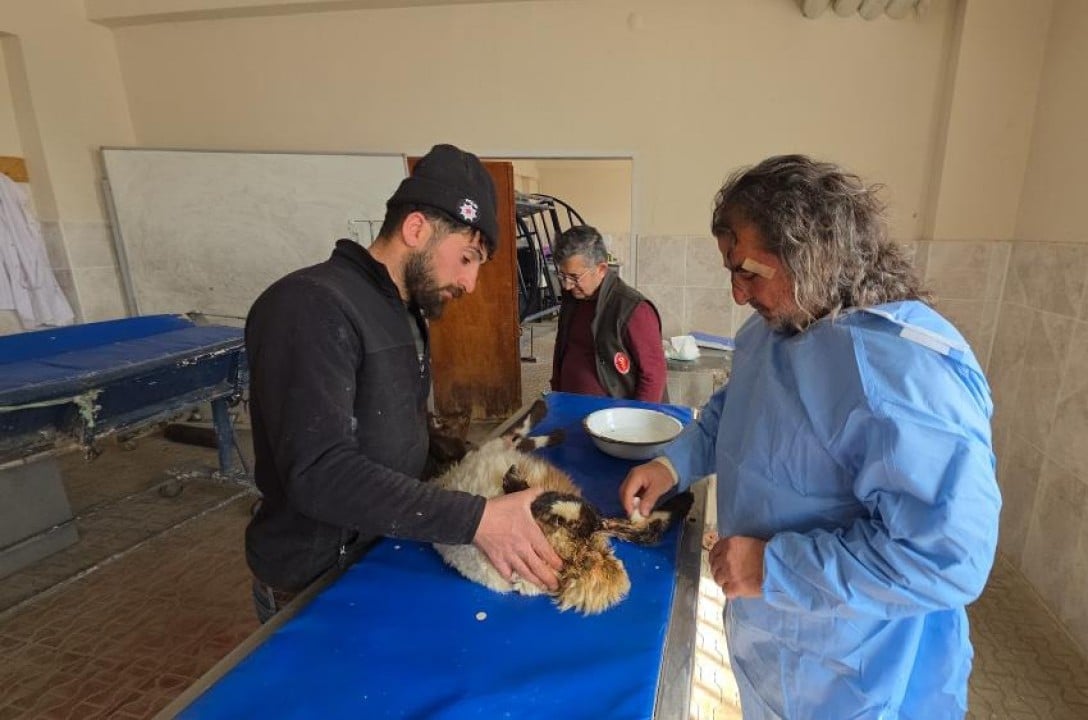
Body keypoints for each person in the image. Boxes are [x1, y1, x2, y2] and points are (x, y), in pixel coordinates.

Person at [620, 155, 1001, 719]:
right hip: (774, 638)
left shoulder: (902, 374)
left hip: (856, 670)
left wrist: (775, 568)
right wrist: (675, 463)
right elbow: (734, 413)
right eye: (732, 271)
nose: (738, 295)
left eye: (749, 271)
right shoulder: (772, 332)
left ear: (812, 254)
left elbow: (946, 557)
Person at [244, 144, 562, 623]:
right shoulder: (310, 306)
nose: (471, 284)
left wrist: (476, 465)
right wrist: (476, 520)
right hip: (313, 582)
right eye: (468, 257)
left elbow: (390, 431)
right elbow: (319, 472)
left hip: (378, 551)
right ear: (417, 229)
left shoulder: (406, 313)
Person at [549, 225, 667, 402]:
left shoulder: (633, 309)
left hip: (615, 422)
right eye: (563, 276)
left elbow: (653, 376)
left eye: (574, 277)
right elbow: (563, 349)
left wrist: (637, 422)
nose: (567, 285)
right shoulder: (572, 298)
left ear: (601, 269)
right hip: (569, 408)